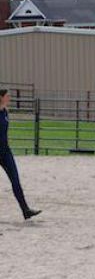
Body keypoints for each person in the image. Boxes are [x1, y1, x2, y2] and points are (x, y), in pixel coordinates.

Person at [0, 89, 41, 220]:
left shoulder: (5, 112)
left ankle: (26, 211)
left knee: (16, 181)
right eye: (7, 96)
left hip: (5, 152)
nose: (9, 98)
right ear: (1, 97)